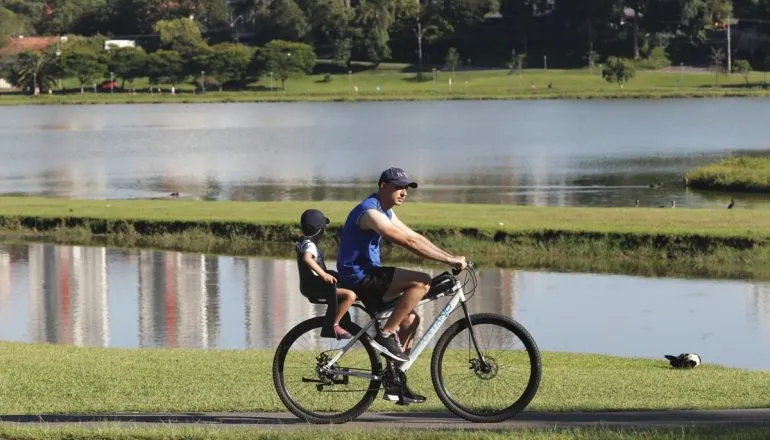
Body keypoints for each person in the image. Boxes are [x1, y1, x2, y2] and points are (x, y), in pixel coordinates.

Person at [337, 167, 467, 404]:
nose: (404, 192)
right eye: (398, 187)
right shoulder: (370, 212)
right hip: (359, 275)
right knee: (422, 281)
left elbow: (414, 235)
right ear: (382, 186)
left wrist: (450, 256)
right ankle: (386, 334)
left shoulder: (384, 211)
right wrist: (448, 260)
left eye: (406, 188)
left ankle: (394, 382)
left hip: (367, 274)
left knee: (410, 320)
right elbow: (406, 241)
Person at [296, 209, 357, 340]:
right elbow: (307, 259)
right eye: (323, 228)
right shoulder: (310, 246)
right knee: (350, 295)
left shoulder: (303, 242)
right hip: (315, 287)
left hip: (310, 285)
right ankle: (333, 325)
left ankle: (340, 322)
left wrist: (330, 273)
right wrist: (324, 274)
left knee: (342, 285)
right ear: (318, 230)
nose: (324, 232)